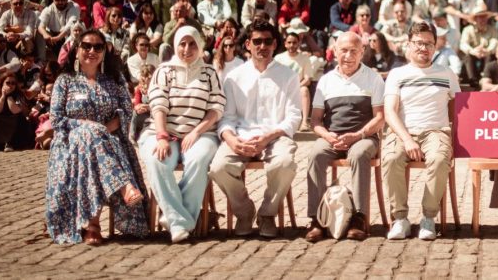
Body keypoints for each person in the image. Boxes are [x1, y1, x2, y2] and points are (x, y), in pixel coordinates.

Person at [44, 29, 148, 245]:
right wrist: (85, 127)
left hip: (108, 139)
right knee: (87, 142)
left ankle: (93, 226)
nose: (92, 51)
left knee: (91, 146)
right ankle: (123, 187)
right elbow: (56, 119)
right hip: (70, 142)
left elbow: (126, 112)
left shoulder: (113, 80)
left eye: (98, 47)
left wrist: (100, 130)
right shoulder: (65, 81)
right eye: (86, 46)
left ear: (104, 52)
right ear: (77, 50)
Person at [209, 20, 303, 238]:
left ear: (275, 44)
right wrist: (231, 139)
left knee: (285, 163)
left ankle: (267, 214)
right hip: (242, 135)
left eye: (268, 41)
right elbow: (227, 118)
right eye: (257, 41)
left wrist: (269, 136)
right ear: (248, 44)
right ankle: (244, 211)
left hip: (276, 135)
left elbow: (294, 116)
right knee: (218, 167)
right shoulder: (234, 77)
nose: (263, 46)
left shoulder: (288, 75)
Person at [138, 26, 224, 242]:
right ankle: (180, 220)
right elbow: (158, 105)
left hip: (200, 133)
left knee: (199, 159)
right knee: (158, 160)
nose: (187, 49)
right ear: (175, 45)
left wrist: (196, 132)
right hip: (163, 131)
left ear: (200, 45)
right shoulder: (163, 71)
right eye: (182, 44)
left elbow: (216, 108)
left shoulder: (209, 73)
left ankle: (173, 217)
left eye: (192, 43)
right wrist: (161, 136)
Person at [382, 22, 461, 241]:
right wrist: (407, 140)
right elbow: (390, 112)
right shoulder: (397, 74)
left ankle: (428, 217)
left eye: (428, 44)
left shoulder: (447, 74)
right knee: (391, 158)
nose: (423, 48)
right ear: (408, 45)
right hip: (402, 131)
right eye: (418, 43)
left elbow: (459, 110)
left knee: (438, 158)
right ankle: (400, 219)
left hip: (435, 131)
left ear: (435, 47)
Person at [305, 32, 386, 242]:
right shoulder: (326, 80)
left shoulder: (373, 78)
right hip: (332, 137)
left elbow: (380, 117)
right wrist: (327, 136)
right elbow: (315, 121)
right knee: (315, 154)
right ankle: (316, 218)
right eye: (343, 50)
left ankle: (358, 218)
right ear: (335, 52)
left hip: (363, 137)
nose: (348, 56)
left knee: (358, 154)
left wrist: (358, 135)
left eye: (353, 51)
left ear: (362, 53)